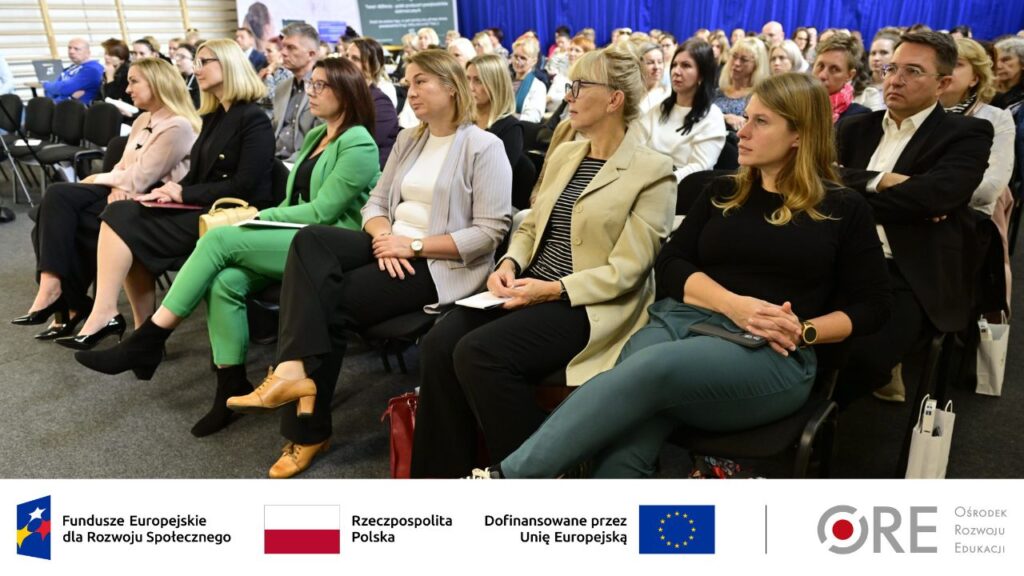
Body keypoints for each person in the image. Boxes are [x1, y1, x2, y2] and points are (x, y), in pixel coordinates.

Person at [474, 73, 892, 479]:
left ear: (799, 134)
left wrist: (804, 330)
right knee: (627, 441)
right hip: (679, 325)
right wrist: (734, 305)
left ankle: (507, 479)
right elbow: (671, 266)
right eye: (746, 118)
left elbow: (874, 306)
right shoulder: (723, 191)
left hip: (770, 348)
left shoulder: (842, 207)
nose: (742, 132)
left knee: (648, 372)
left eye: (761, 122)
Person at [217, 49, 511, 478]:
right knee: (311, 239)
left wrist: (411, 246)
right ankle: (294, 375)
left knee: (324, 302)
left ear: (451, 87)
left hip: (437, 263)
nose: (411, 91)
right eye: (409, 82)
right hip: (389, 246)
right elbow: (375, 203)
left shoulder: (484, 146)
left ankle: (305, 425)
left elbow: (489, 233)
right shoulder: (410, 140)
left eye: (421, 81)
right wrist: (384, 237)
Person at [74, 58, 382, 437]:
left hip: (331, 242)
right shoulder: (318, 136)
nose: (311, 92)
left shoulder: (358, 142)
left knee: (219, 238)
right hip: (299, 233)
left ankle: (149, 338)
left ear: (347, 93)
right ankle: (229, 386)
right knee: (225, 281)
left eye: (322, 86)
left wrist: (260, 217)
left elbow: (323, 211)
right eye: (311, 84)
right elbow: (294, 201)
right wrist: (266, 218)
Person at [410, 45, 677, 479]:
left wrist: (550, 290)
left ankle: (536, 473)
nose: (568, 95)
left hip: (587, 302)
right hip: (531, 284)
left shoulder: (653, 171)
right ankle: (442, 478)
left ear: (614, 99)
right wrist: (509, 265)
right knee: (440, 343)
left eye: (579, 86)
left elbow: (628, 271)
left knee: (479, 353)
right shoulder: (568, 154)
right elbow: (531, 226)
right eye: (569, 86)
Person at [58, 39, 274, 351]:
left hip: (233, 215)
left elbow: (244, 185)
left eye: (204, 62)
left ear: (229, 65)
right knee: (123, 213)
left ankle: (127, 329)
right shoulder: (214, 116)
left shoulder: (253, 118)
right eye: (195, 63)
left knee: (124, 221)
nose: (196, 70)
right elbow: (200, 173)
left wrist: (182, 191)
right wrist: (169, 191)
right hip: (206, 204)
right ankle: (133, 328)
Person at [833, 31, 994, 407]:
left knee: (865, 359)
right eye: (891, 68)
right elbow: (821, 181)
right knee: (777, 326)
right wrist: (882, 181)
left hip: (905, 269)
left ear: (943, 83)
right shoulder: (856, 127)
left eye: (913, 71)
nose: (895, 79)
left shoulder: (966, 133)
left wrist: (850, 191)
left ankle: (816, 418)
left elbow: (935, 196)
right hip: (835, 255)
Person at [13, 59, 199, 339]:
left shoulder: (178, 126)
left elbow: (139, 179)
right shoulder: (143, 119)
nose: (127, 89)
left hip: (154, 201)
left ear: (157, 83)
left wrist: (95, 179)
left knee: (60, 218)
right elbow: (123, 168)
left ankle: (69, 303)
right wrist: (112, 186)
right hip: (124, 191)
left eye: (134, 81)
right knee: (56, 200)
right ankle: (55, 289)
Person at [939, 38, 1015, 217]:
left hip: (968, 217)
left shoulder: (997, 118)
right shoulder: (915, 111)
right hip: (910, 212)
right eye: (941, 63)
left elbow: (989, 189)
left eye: (957, 64)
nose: (946, 70)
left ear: (974, 78)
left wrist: (928, 193)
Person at [634, 40, 727, 184]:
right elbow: (635, 145)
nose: (676, 72)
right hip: (644, 178)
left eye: (686, 66)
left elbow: (699, 168)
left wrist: (658, 183)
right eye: (674, 65)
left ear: (702, 75)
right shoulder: (660, 108)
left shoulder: (712, 117)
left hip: (680, 188)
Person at [467, 53, 525, 205]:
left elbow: (493, 182)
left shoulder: (511, 129)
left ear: (495, 84)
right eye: (467, 79)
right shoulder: (462, 121)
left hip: (488, 204)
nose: (470, 87)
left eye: (478, 81)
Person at [345, 36, 400, 167]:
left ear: (373, 66)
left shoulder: (381, 105)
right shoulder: (344, 97)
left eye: (355, 59)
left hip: (365, 171)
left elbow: (360, 148)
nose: (347, 62)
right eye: (347, 56)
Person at [271, 23, 322, 161]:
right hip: (274, 159)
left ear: (311, 54)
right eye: (283, 47)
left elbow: (320, 140)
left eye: (291, 47)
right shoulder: (282, 87)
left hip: (301, 163)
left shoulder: (324, 89)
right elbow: (273, 129)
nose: (283, 52)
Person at [813, 34, 872, 124]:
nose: (822, 75)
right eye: (820, 66)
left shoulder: (859, 117)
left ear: (850, 75)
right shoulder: (796, 103)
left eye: (834, 69)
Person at [715, 37, 768, 131]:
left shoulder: (760, 97)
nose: (736, 63)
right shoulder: (716, 92)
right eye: (734, 56)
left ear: (756, 65)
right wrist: (724, 117)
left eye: (744, 60)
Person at [43, 38, 103, 104]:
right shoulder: (71, 68)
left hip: (77, 107)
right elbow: (50, 92)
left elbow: (64, 88)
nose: (71, 52)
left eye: (76, 49)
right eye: (69, 48)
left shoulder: (92, 69)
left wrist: (46, 84)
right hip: (59, 104)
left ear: (88, 53)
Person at [547, 36, 595, 115]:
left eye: (577, 50)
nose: (572, 53)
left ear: (587, 54)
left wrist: (552, 98)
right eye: (571, 49)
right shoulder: (561, 74)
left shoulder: (590, 78)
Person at [511, 37, 546, 122]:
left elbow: (534, 117)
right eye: (515, 56)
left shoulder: (538, 86)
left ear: (534, 61)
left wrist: (507, 118)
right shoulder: (505, 81)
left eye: (523, 58)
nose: (517, 61)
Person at [993, 37, 1024, 112]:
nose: (998, 66)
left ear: (1022, 63)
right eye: (995, 60)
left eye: (1005, 60)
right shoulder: (985, 92)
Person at [637, 42, 669, 114]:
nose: (656, 67)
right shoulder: (633, 92)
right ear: (640, 64)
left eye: (660, 62)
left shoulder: (667, 94)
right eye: (650, 62)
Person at [100, 39, 131, 106]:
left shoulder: (128, 74)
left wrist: (110, 78)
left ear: (122, 58)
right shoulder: (109, 70)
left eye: (111, 55)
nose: (106, 57)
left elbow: (114, 100)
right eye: (106, 53)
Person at [173, 43, 201, 108]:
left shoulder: (199, 80)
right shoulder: (181, 77)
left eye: (182, 57)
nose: (177, 60)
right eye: (176, 56)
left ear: (193, 61)